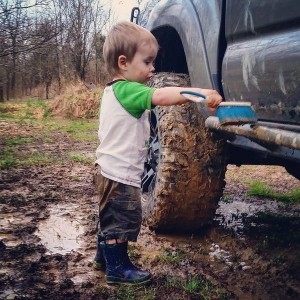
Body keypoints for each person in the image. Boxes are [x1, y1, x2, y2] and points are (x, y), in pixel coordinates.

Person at [93, 21, 222, 285]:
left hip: (108, 168)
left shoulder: (112, 90)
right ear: (123, 63)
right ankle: (117, 268)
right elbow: (161, 96)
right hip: (119, 173)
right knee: (123, 218)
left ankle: (103, 257)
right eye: (148, 62)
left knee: (110, 215)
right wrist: (198, 93)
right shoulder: (129, 90)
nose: (153, 69)